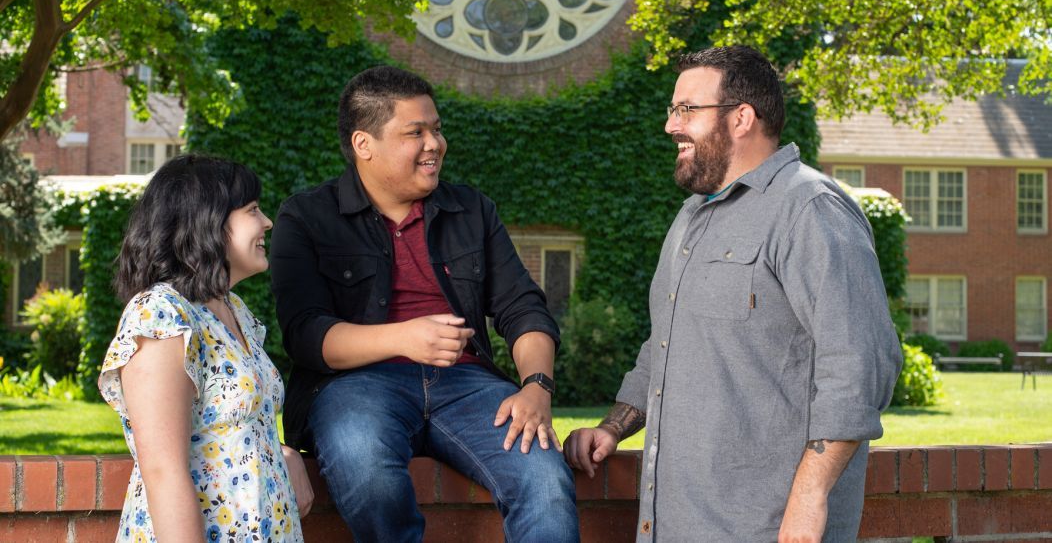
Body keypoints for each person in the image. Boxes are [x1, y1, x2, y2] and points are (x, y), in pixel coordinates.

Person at [564, 46, 902, 542]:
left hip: (766, 527)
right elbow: (667, 348)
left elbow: (859, 365)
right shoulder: (691, 217)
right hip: (674, 524)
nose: (671, 126)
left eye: (686, 110)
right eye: (671, 110)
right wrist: (614, 427)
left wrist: (810, 499)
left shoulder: (810, 208)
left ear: (741, 117)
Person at [269, 65, 579, 542]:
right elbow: (306, 335)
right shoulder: (307, 216)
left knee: (545, 480)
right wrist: (404, 337)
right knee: (365, 465)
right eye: (416, 133)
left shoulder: (472, 209)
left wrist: (537, 387)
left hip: (469, 386)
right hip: (354, 387)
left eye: (437, 129)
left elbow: (524, 308)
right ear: (363, 144)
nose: (435, 144)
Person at [99, 154, 313, 542]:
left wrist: (283, 453)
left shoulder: (233, 310)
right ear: (207, 222)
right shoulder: (161, 317)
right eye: (252, 210)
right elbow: (164, 471)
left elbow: (226, 427)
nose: (266, 222)